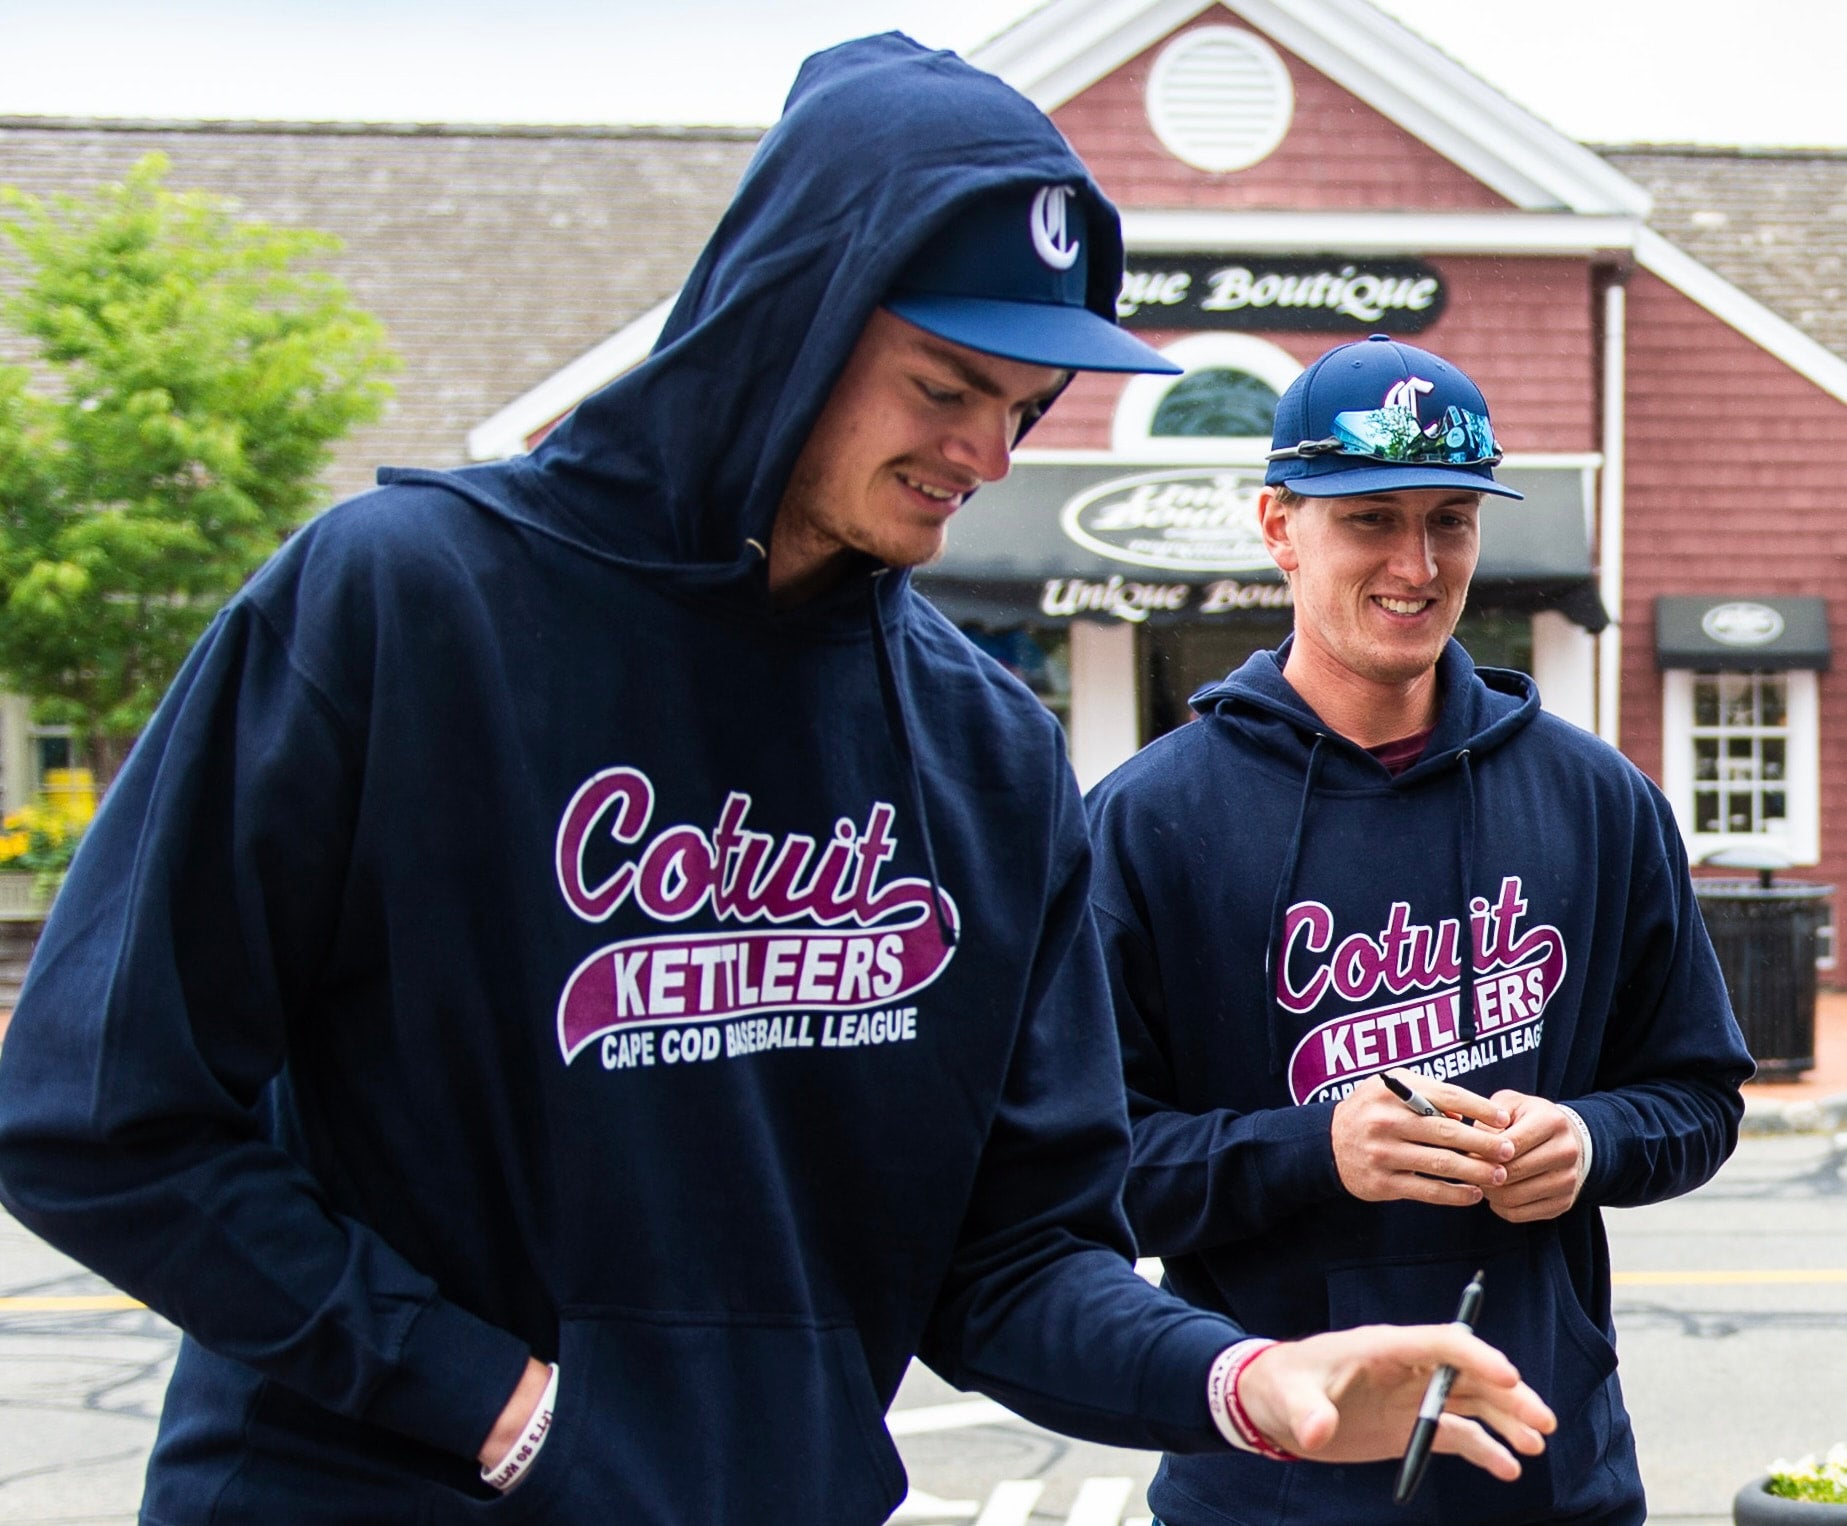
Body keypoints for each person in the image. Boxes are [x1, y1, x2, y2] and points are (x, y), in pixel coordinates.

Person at [0, 40, 1555, 1523]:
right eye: (945, 385)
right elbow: (95, 1112)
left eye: (1020, 403)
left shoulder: (982, 747)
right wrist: (497, 1407)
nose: (988, 454)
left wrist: (1243, 1374)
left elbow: (1009, 1256)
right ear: (790, 314)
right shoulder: (403, 608)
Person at [1085, 333, 1754, 1525]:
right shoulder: (1145, 821)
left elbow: (1697, 1095)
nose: (1416, 560)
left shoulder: (1597, 801)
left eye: (1450, 517)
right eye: (1370, 517)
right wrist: (1310, 1149)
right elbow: (1086, 1168)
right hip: (1261, 1485)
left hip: (1546, 1472)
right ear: (1279, 526)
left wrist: (1588, 1140)